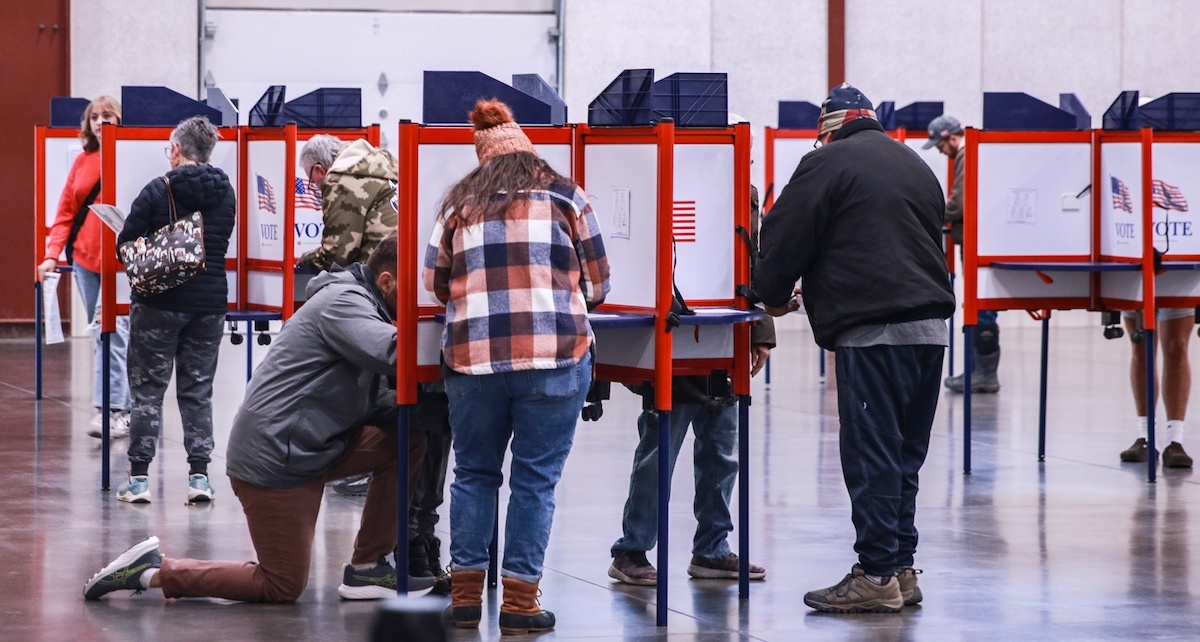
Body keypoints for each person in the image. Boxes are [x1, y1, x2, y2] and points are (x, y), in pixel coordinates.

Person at [84, 235, 436, 603]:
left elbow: (377, 400)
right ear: (386, 281)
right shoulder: (344, 302)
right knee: (281, 585)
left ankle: (367, 569)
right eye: (417, 290)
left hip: (312, 444)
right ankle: (153, 571)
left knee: (409, 438)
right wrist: (467, 341)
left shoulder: (360, 303)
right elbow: (395, 352)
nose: (421, 302)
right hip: (276, 459)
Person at [753, 83, 954, 613]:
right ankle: (903, 569)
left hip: (874, 332)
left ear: (829, 129)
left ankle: (875, 574)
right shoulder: (914, 163)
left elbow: (783, 237)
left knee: (872, 456)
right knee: (905, 457)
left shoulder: (827, 163)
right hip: (931, 330)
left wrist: (770, 298)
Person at [425, 99, 610, 634]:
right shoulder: (566, 195)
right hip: (554, 359)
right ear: (529, 149)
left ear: (484, 158)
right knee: (534, 482)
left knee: (474, 474)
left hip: (472, 361)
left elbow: (434, 284)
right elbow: (599, 285)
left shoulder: (457, 202)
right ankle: (520, 606)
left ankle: (464, 599)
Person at [608, 186, 775, 585]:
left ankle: (712, 549)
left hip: (724, 335)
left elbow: (754, 262)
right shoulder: (666, 178)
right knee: (659, 449)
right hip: (674, 334)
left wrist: (761, 330)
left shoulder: (742, 193)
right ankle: (631, 549)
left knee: (722, 449)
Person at [115, 116, 235, 505]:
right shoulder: (226, 193)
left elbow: (126, 247)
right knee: (198, 392)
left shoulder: (157, 189)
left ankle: (138, 480)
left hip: (158, 306)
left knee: (148, 392)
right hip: (209, 305)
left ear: (177, 150)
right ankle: (200, 477)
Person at [36, 95, 131, 438]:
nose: (101, 121)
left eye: (109, 115)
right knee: (101, 334)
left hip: (123, 264)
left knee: (115, 334)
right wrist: (52, 255)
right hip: (85, 261)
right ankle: (116, 407)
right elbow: (65, 215)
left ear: (121, 119)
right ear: (88, 123)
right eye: (95, 116)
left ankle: (113, 410)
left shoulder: (131, 156)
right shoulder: (82, 161)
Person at [924, 114, 1001, 394]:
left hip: (978, 242)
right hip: (981, 240)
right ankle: (979, 372)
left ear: (950, 137)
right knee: (979, 307)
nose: (942, 153)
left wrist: (927, 213)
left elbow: (959, 203)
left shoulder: (966, 154)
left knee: (981, 309)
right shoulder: (973, 151)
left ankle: (984, 374)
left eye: (940, 146)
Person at [296, 134, 398, 271]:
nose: (315, 186)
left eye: (312, 181)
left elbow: (337, 256)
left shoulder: (339, 180)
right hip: (402, 262)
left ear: (319, 170)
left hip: (381, 270)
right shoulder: (381, 164)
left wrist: (306, 259)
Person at [1119, 310, 1194, 468]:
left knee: (1178, 346)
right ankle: (1146, 436)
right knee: (1141, 348)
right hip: (1138, 285)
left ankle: (1175, 439)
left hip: (1176, 285)